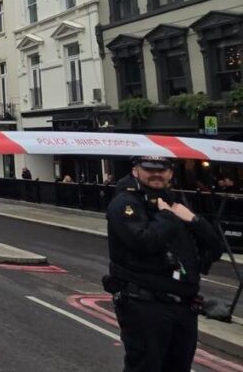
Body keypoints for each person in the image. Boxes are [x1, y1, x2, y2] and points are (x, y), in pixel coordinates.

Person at [104, 155, 224, 371]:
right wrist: (167, 217)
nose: (156, 173)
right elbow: (143, 242)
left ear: (170, 173)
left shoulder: (173, 201)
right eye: (149, 168)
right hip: (145, 305)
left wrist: (195, 221)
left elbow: (215, 249)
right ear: (135, 171)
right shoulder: (125, 203)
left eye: (163, 169)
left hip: (184, 306)